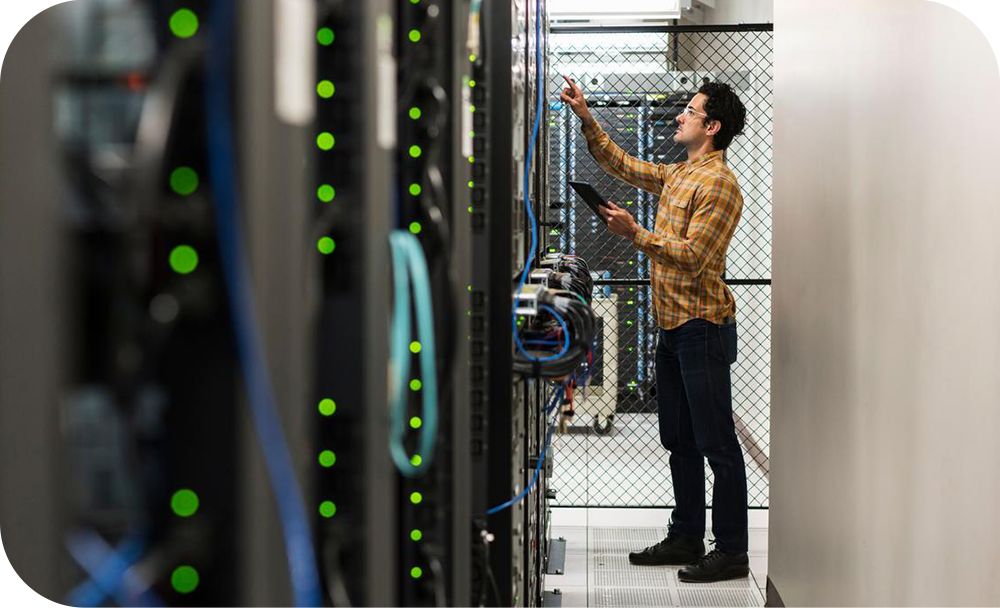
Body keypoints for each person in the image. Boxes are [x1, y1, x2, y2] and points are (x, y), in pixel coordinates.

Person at [560, 75, 750, 583]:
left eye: (690, 110)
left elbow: (694, 258)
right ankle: (686, 533)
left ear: (712, 127)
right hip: (671, 326)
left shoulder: (720, 186)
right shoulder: (679, 174)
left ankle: (732, 550)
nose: (680, 116)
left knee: (717, 444)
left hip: (702, 328)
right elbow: (622, 164)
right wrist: (585, 116)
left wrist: (635, 233)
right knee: (678, 438)